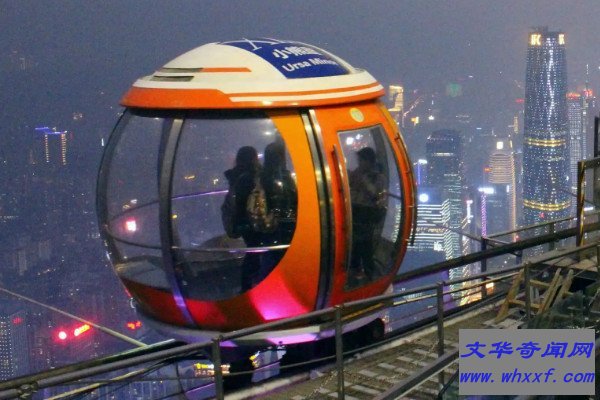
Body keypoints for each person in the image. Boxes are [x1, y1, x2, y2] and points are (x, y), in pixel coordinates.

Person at [348, 147, 387, 283]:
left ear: (369, 162)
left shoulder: (378, 178)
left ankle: (368, 273)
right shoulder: (357, 174)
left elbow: (376, 194)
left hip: (366, 213)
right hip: (355, 210)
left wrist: (364, 180)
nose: (359, 164)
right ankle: (356, 270)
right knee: (356, 242)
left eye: (362, 161)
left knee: (364, 244)